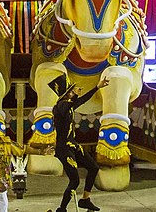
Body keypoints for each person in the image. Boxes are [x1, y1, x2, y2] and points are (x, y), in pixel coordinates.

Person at [49, 74, 106, 212]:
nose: (73, 92)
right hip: (64, 149)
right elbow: (70, 104)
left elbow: (82, 100)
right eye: (71, 91)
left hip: (73, 145)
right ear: (66, 93)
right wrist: (74, 97)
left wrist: (97, 87)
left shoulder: (69, 106)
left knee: (93, 167)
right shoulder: (59, 107)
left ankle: (85, 199)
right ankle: (61, 209)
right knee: (74, 181)